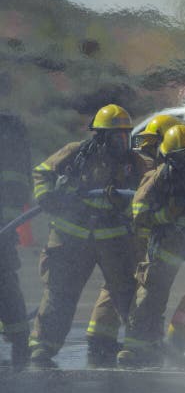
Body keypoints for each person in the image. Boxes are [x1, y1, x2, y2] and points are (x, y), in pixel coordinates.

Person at [29, 104, 146, 369]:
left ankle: (140, 346)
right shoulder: (76, 152)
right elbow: (43, 171)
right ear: (102, 136)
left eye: (126, 136)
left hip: (114, 240)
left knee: (127, 293)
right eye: (117, 136)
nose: (123, 142)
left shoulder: (133, 162)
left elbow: (150, 186)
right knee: (60, 292)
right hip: (71, 239)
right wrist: (47, 196)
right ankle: (42, 346)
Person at [117, 124, 185, 368]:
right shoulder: (160, 176)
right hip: (168, 243)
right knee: (151, 293)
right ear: (168, 157)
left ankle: (184, 338)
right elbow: (139, 212)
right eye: (178, 157)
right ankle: (135, 348)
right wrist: (167, 215)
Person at [85, 114, 185, 367]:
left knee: (116, 284)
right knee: (148, 286)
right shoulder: (154, 167)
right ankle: (145, 341)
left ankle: (99, 338)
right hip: (140, 236)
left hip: (128, 233)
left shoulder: (140, 161)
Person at [0, 113, 32, 370]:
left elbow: (17, 185)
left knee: (4, 281)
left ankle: (20, 338)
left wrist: (5, 224)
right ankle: (18, 336)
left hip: (2, 225)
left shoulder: (9, 131)